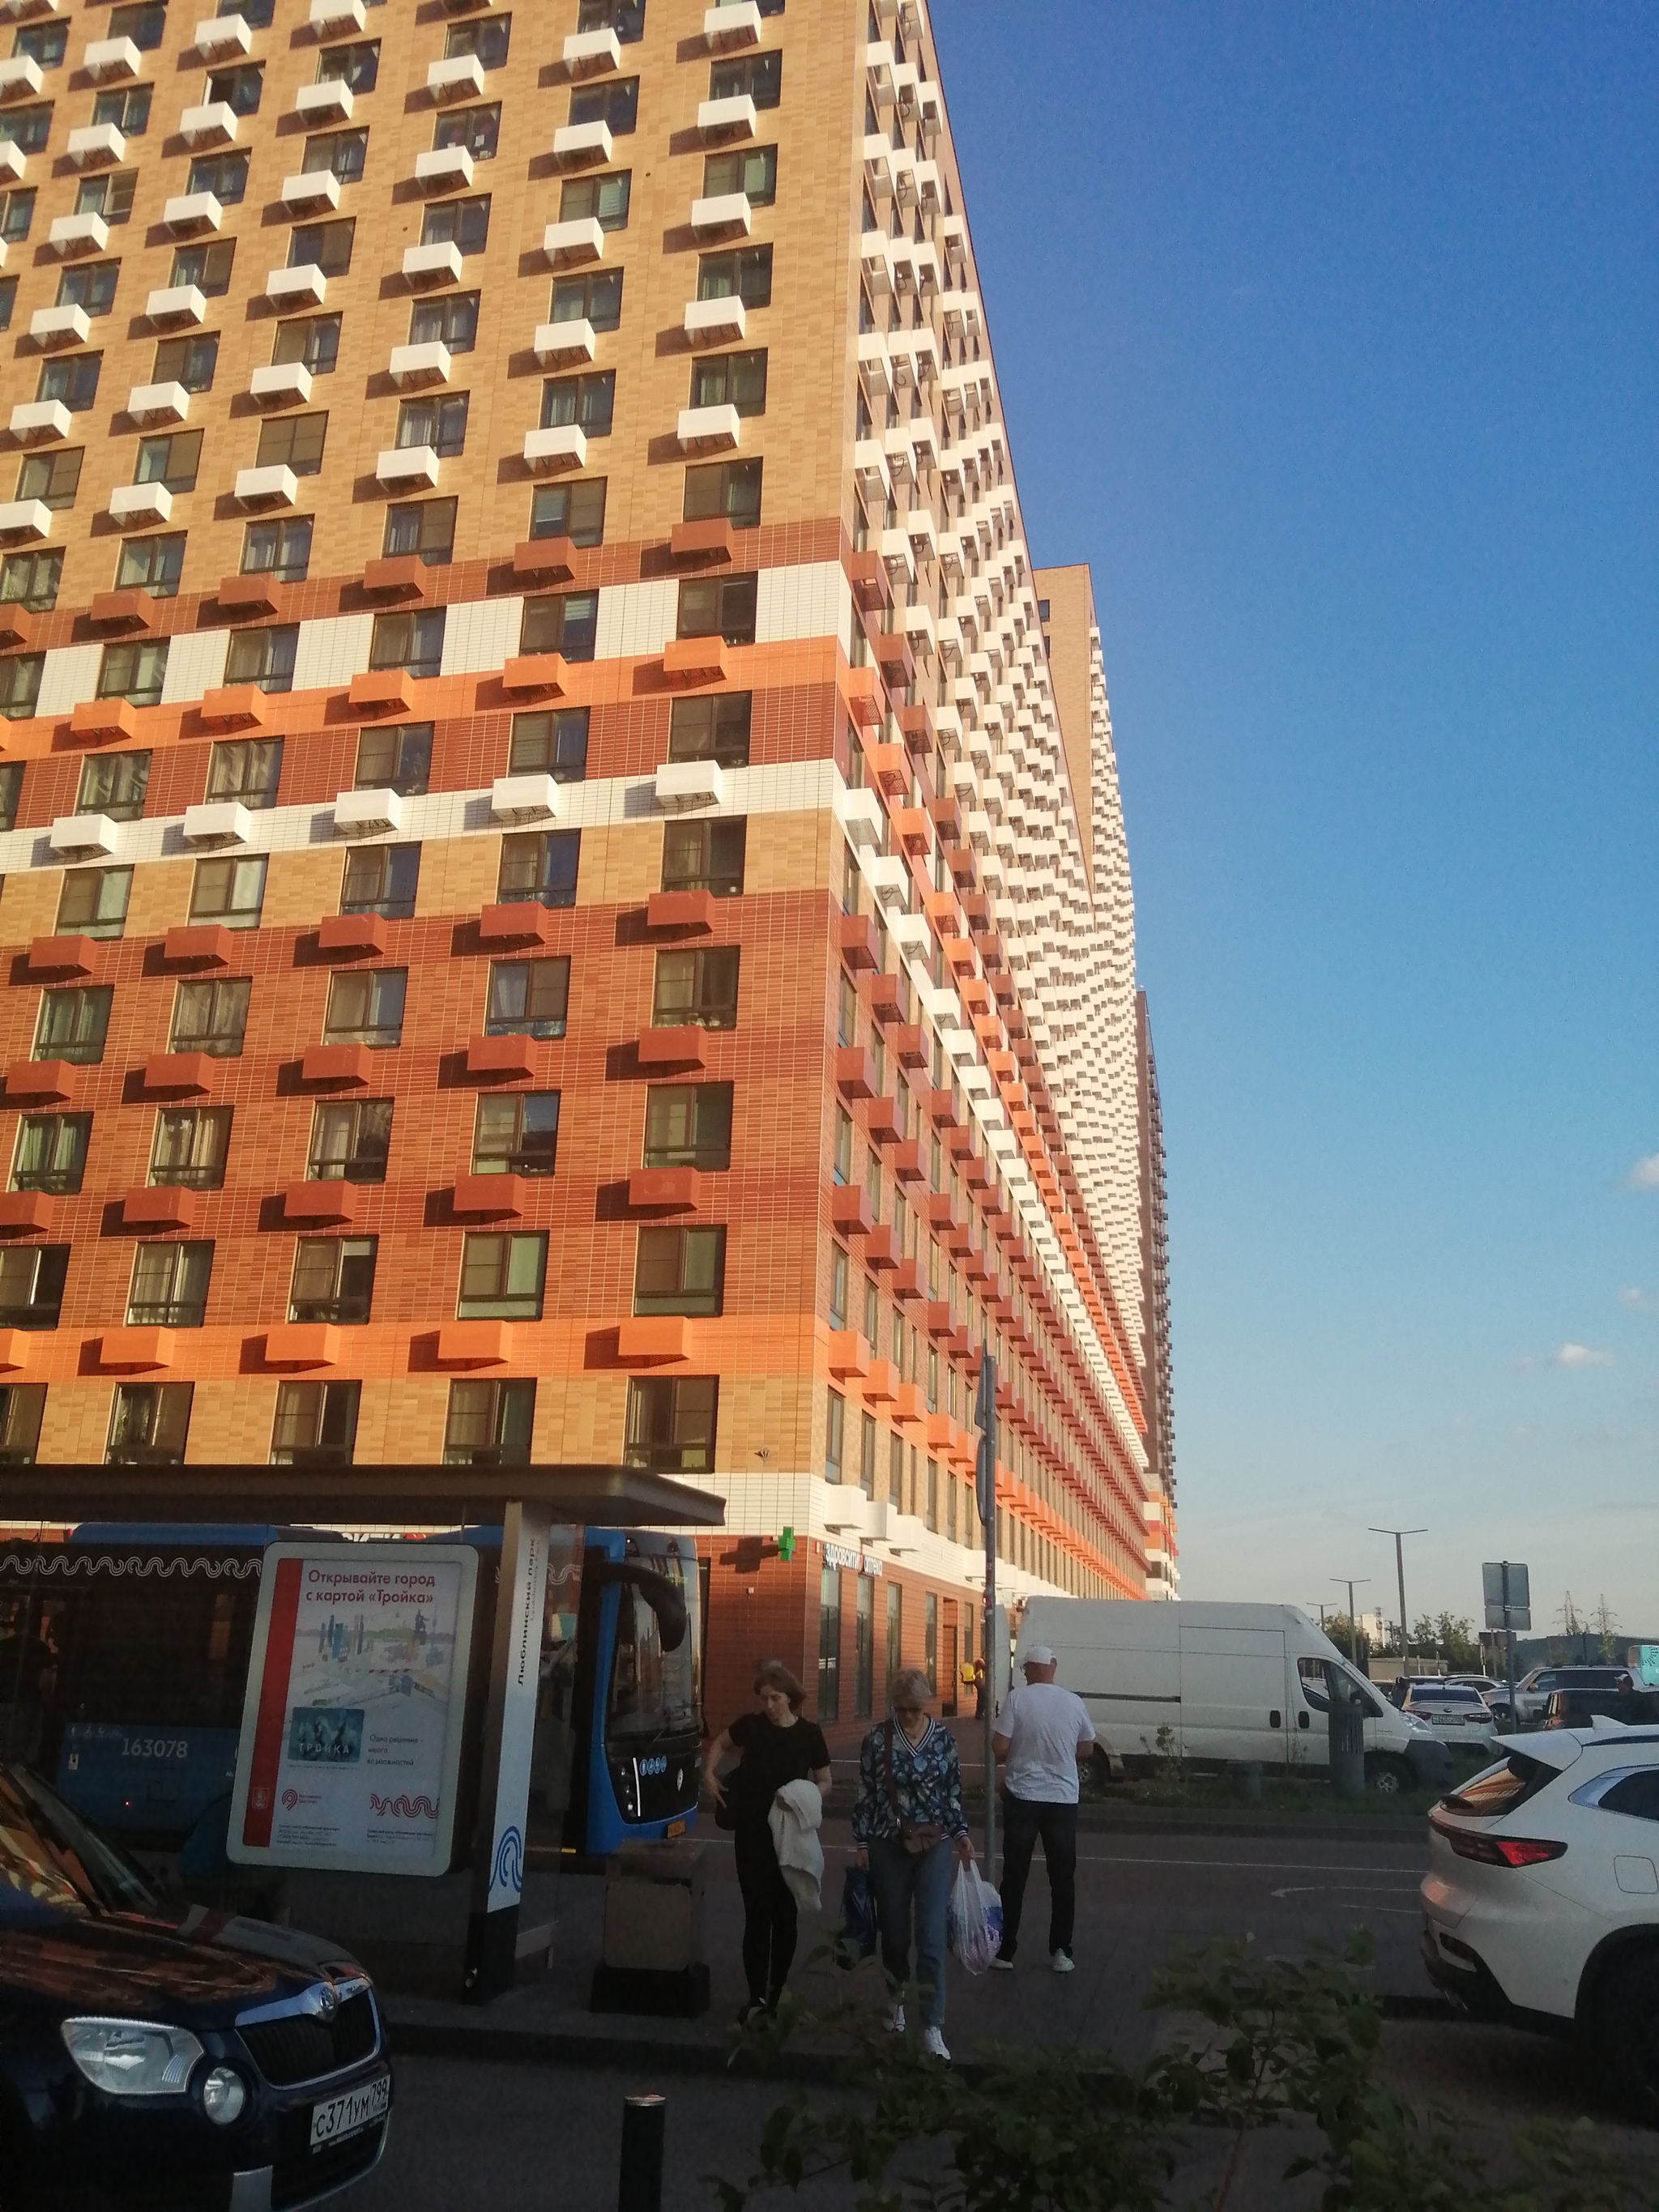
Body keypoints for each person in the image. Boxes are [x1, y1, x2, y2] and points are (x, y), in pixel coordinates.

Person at [851, 1665, 975, 2061]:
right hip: (888, 1842)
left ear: (926, 1706)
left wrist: (961, 1833)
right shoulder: (877, 1739)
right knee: (895, 1932)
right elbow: (866, 1791)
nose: (907, 1716)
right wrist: (861, 1841)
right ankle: (895, 1997)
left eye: (914, 1709)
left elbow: (952, 1792)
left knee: (931, 1935)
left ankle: (932, 2025)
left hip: (934, 1843)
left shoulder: (944, 1740)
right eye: (901, 1709)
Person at [704, 1659, 830, 2022]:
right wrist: (708, 1773)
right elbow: (720, 1742)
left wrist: (802, 1797)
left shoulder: (809, 1734)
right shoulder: (752, 1726)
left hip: (790, 1836)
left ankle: (778, 1995)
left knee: (785, 1917)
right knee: (757, 1916)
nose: (769, 1705)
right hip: (752, 1834)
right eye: (764, 1698)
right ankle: (757, 1998)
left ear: (790, 1697)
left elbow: (825, 1781)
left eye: (775, 1698)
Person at [992, 1643, 1095, 1972]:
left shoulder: (1017, 1700)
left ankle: (1005, 1951)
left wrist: (1018, 1755)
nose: (1024, 1674)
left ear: (1034, 1668)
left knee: (1014, 1875)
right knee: (1062, 1877)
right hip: (1062, 1799)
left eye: (1025, 1669)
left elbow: (999, 1747)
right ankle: (1062, 1950)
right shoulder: (1073, 1701)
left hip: (1023, 1796)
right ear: (1052, 1666)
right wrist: (1061, 1755)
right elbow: (1087, 1747)